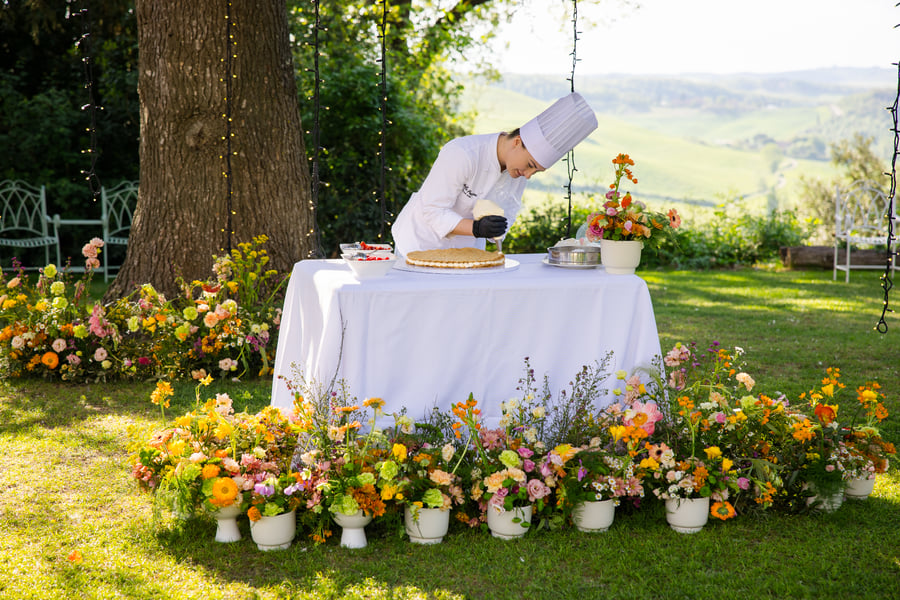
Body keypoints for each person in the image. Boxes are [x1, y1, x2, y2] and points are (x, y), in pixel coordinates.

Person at [391, 92, 599, 257]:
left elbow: (508, 212)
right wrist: (477, 228)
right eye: (530, 165)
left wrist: (494, 229)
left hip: (465, 255)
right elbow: (433, 211)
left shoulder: (518, 171)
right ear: (517, 142)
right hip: (418, 244)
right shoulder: (462, 154)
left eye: (536, 171)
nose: (527, 175)